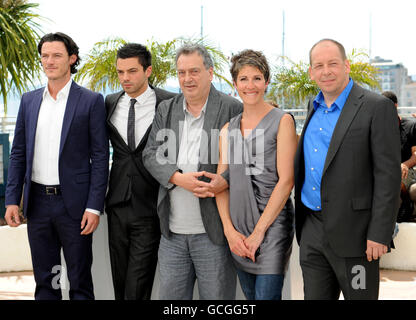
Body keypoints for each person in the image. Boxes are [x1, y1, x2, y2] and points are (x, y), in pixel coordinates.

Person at [4, 32, 109, 300]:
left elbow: (100, 157)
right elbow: (18, 153)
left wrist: (94, 206)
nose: (49, 61)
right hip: (37, 204)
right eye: (45, 56)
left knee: (79, 281)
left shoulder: (90, 100)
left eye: (56, 55)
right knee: (45, 281)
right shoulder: (29, 100)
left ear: (72, 59)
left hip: (74, 205)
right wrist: (12, 200)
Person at [294, 39, 401, 300]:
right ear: (311, 72)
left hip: (357, 238)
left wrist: (380, 233)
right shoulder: (313, 106)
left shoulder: (377, 107)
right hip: (312, 231)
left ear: (346, 66)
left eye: (332, 64)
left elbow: (388, 176)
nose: (326, 71)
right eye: (318, 65)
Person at [143, 43, 242, 300]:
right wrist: (178, 178)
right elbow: (150, 154)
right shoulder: (167, 109)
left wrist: (224, 181)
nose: (187, 79)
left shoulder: (232, 108)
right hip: (172, 234)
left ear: (210, 73)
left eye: (194, 71)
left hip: (215, 234)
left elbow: (245, 162)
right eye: (182, 72)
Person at [215, 50, 296, 300]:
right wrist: (230, 231)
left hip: (272, 227)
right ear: (235, 83)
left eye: (257, 78)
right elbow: (221, 185)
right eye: (243, 79)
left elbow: (287, 180)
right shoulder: (227, 129)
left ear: (267, 81)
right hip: (239, 230)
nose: (250, 85)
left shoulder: (282, 121)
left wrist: (259, 232)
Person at [105, 43, 175, 300]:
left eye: (132, 71)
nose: (125, 78)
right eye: (120, 71)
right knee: (120, 281)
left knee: (138, 285)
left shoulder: (168, 102)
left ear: (148, 71)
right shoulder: (110, 102)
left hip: (150, 205)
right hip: (116, 204)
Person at [382, 91, 416, 222]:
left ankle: (404, 207)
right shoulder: (377, 129)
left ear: (395, 106)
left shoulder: (411, 126)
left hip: (407, 171)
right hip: (385, 172)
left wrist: (405, 164)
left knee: (393, 180)